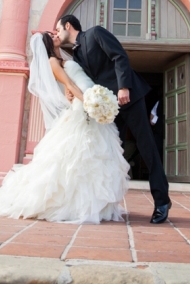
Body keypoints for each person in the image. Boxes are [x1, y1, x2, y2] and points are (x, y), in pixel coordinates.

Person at [0, 31, 130, 223]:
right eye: (52, 34)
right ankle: (76, 203)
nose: (56, 34)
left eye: (56, 31)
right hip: (85, 103)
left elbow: (69, 82)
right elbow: (70, 83)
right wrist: (88, 101)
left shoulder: (63, 58)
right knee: (80, 154)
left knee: (93, 154)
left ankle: (93, 203)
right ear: (48, 43)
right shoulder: (52, 62)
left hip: (89, 99)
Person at [57, 15, 171, 224]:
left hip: (130, 98)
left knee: (147, 148)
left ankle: (162, 201)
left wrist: (124, 87)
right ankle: (104, 204)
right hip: (109, 107)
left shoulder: (95, 33)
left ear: (67, 25)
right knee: (108, 151)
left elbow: (119, 56)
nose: (57, 34)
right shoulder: (77, 53)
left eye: (58, 30)